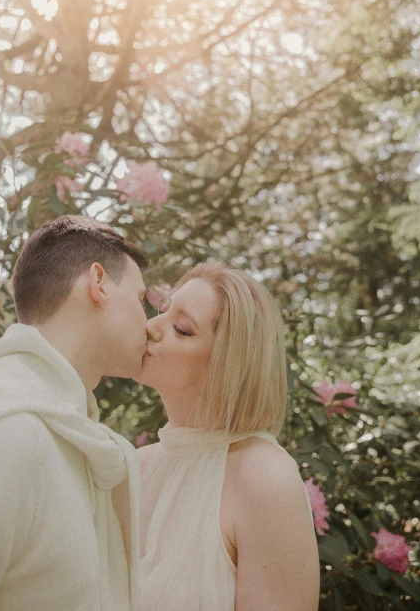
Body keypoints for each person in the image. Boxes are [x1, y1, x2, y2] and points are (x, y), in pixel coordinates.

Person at [0, 216, 149, 611]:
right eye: (141, 300)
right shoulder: (7, 432)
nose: (149, 323)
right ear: (99, 283)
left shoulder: (69, 436)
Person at [134, 260, 320, 610]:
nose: (150, 327)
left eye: (182, 329)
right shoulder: (136, 465)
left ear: (229, 364)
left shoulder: (264, 477)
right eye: (162, 311)